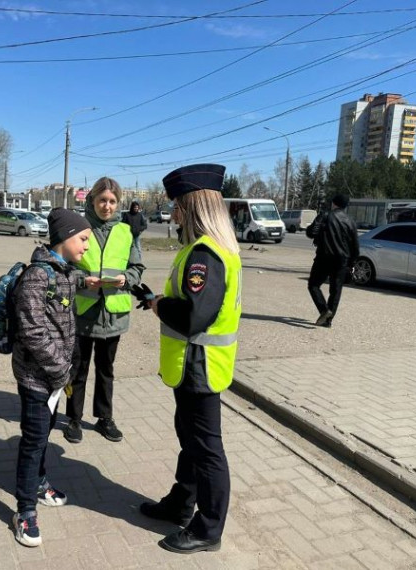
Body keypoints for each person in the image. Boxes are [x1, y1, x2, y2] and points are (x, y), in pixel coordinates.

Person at [141, 163, 242, 554]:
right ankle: (180, 504)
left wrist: (161, 305)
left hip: (199, 365)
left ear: (192, 207)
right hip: (193, 365)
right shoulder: (204, 250)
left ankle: (208, 528)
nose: (172, 214)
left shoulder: (205, 255)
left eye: (176, 207)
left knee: (206, 448)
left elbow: (193, 316)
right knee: (190, 440)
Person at [11, 208, 92, 547]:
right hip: (37, 377)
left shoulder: (64, 271)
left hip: (55, 378)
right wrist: (61, 369)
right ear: (64, 238)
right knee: (33, 441)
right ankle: (24, 510)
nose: (87, 246)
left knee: (44, 434)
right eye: (84, 239)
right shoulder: (37, 276)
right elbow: (31, 331)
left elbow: (75, 282)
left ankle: (40, 483)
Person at [63, 177, 145, 444]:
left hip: (114, 315)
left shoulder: (125, 232)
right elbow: (64, 267)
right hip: (84, 312)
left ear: (117, 203)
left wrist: (126, 279)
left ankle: (104, 418)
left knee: (106, 369)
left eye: (112, 201)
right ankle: (73, 419)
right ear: (92, 201)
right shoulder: (79, 229)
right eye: (102, 200)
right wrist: (82, 280)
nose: (107, 206)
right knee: (79, 369)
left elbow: (137, 267)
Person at [305, 193, 360, 328]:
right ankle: (328, 321)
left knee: (313, 285)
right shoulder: (351, 221)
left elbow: (311, 232)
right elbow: (355, 247)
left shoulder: (325, 215)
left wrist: (311, 229)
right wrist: (351, 263)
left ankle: (324, 311)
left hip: (324, 257)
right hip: (342, 260)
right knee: (336, 290)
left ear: (334, 203)